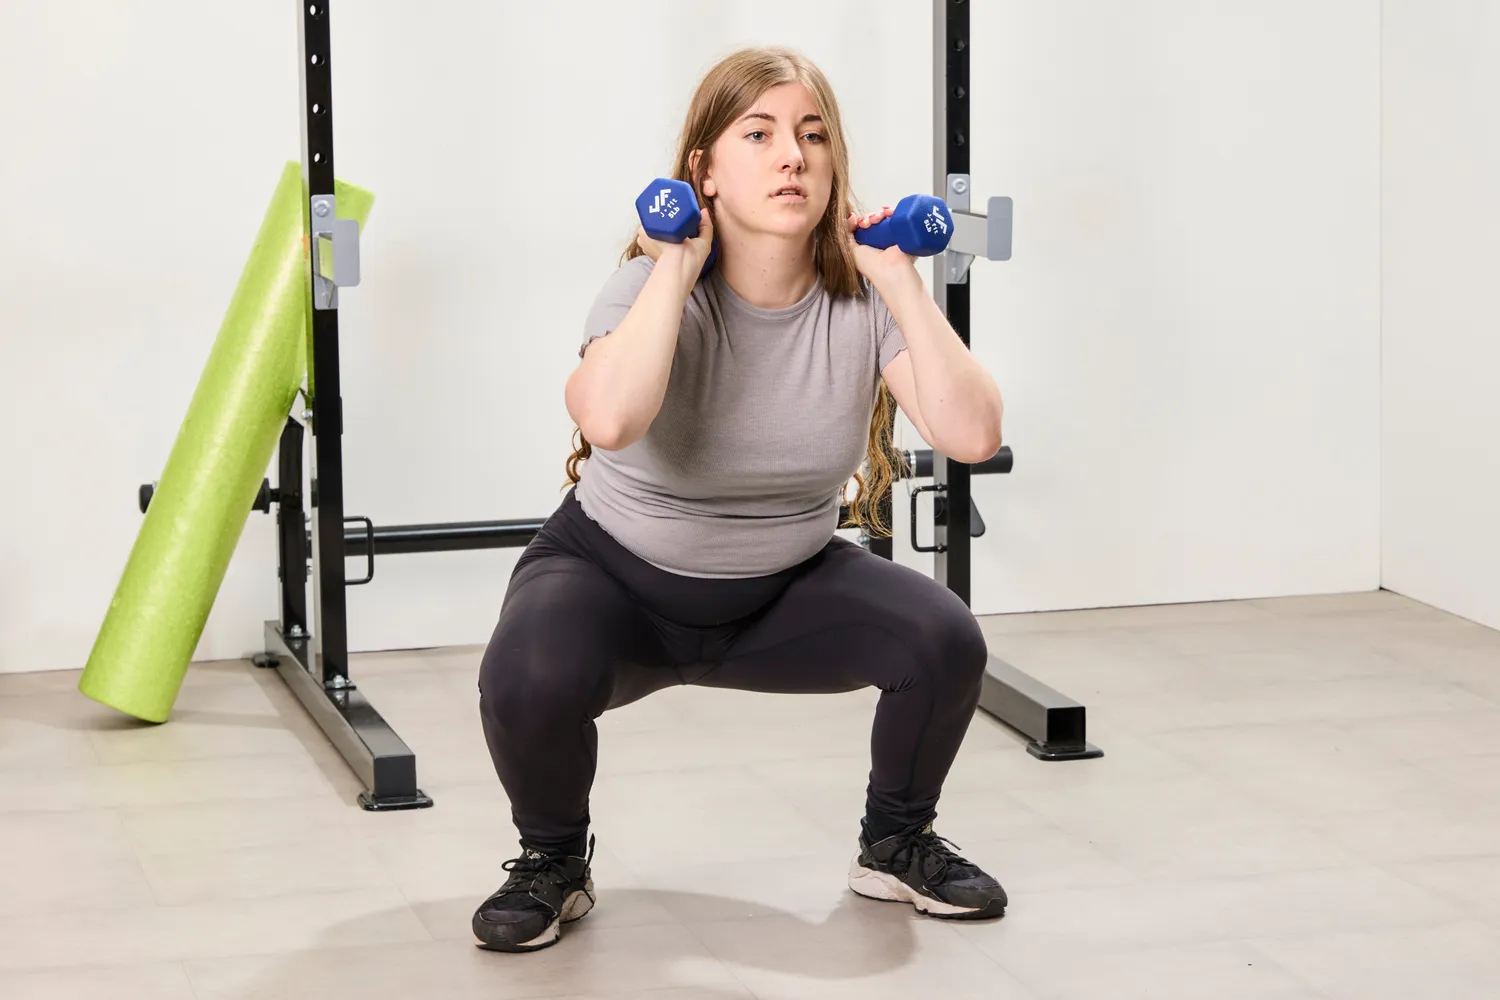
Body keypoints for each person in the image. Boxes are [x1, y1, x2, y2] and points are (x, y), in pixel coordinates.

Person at [472, 46, 1008, 954]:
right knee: (526, 673)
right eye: (757, 135)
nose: (791, 156)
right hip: (614, 582)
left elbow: (972, 435)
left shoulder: (862, 299)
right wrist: (675, 269)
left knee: (943, 637)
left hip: (780, 590)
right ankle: (554, 861)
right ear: (704, 174)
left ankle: (894, 845)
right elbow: (608, 417)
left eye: (811, 136)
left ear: (834, 166)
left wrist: (900, 284)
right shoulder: (648, 288)